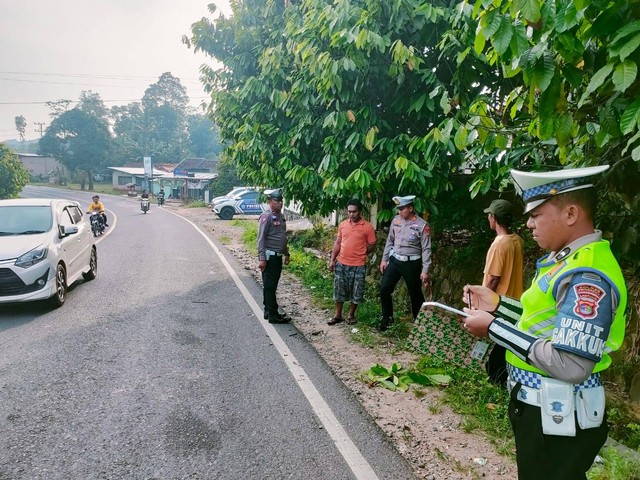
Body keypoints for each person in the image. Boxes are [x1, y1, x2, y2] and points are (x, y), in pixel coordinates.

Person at [462, 165, 627, 480]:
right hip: (547, 412)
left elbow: (572, 364)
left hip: (560, 419)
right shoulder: (566, 261)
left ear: (570, 214)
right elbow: (542, 322)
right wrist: (497, 305)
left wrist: (493, 328)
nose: (528, 223)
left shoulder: (587, 275)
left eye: (536, 214)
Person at [482, 199, 524, 385]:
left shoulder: (499, 244)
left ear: (494, 217)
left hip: (498, 301)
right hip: (514, 301)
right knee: (505, 342)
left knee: (497, 344)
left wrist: (482, 301)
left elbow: (493, 278)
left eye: (489, 215)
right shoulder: (517, 240)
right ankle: (500, 378)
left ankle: (496, 381)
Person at [378, 195, 432, 331]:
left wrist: (425, 270)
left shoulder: (422, 225)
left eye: (402, 209)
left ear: (411, 208)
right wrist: (384, 259)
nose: (399, 212)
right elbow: (390, 241)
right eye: (398, 209)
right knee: (384, 289)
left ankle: (420, 326)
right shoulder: (396, 221)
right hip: (395, 261)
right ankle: (387, 319)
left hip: (412, 263)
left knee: (415, 295)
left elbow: (426, 249)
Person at [327, 199, 377, 326]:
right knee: (339, 290)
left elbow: (372, 244)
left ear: (360, 211)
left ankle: (351, 315)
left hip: (359, 265)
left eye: (354, 212)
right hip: (341, 263)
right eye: (349, 211)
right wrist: (332, 260)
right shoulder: (343, 225)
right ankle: (337, 315)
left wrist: (363, 252)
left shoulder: (367, 227)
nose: (351, 214)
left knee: (357, 291)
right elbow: (338, 243)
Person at [257, 188, 291, 324]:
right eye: (277, 201)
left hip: (278, 256)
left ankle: (268, 310)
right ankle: (273, 314)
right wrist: (262, 258)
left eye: (281, 201)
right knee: (270, 286)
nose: (280, 203)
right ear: (270, 201)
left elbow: (282, 237)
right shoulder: (267, 217)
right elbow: (261, 239)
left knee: (271, 285)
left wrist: (287, 253)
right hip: (269, 257)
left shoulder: (280, 217)